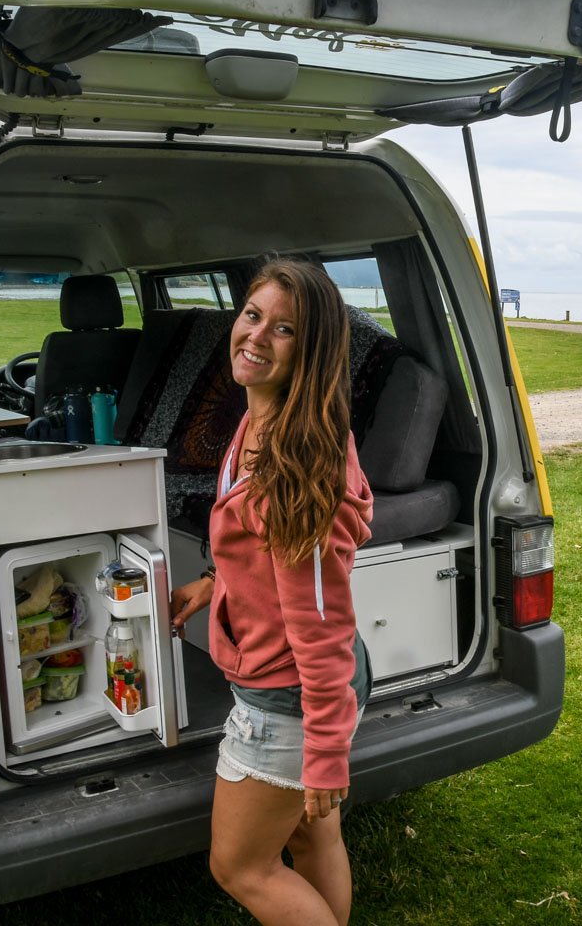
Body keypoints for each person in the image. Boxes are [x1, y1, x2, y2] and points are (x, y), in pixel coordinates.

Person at [170, 258, 374, 926]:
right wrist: (213, 583)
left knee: (240, 866)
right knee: (314, 833)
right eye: (253, 315)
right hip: (304, 680)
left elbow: (319, 621)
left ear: (309, 352)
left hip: (293, 692)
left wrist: (324, 753)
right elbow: (262, 553)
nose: (256, 336)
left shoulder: (294, 460)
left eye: (283, 329)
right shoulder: (260, 419)